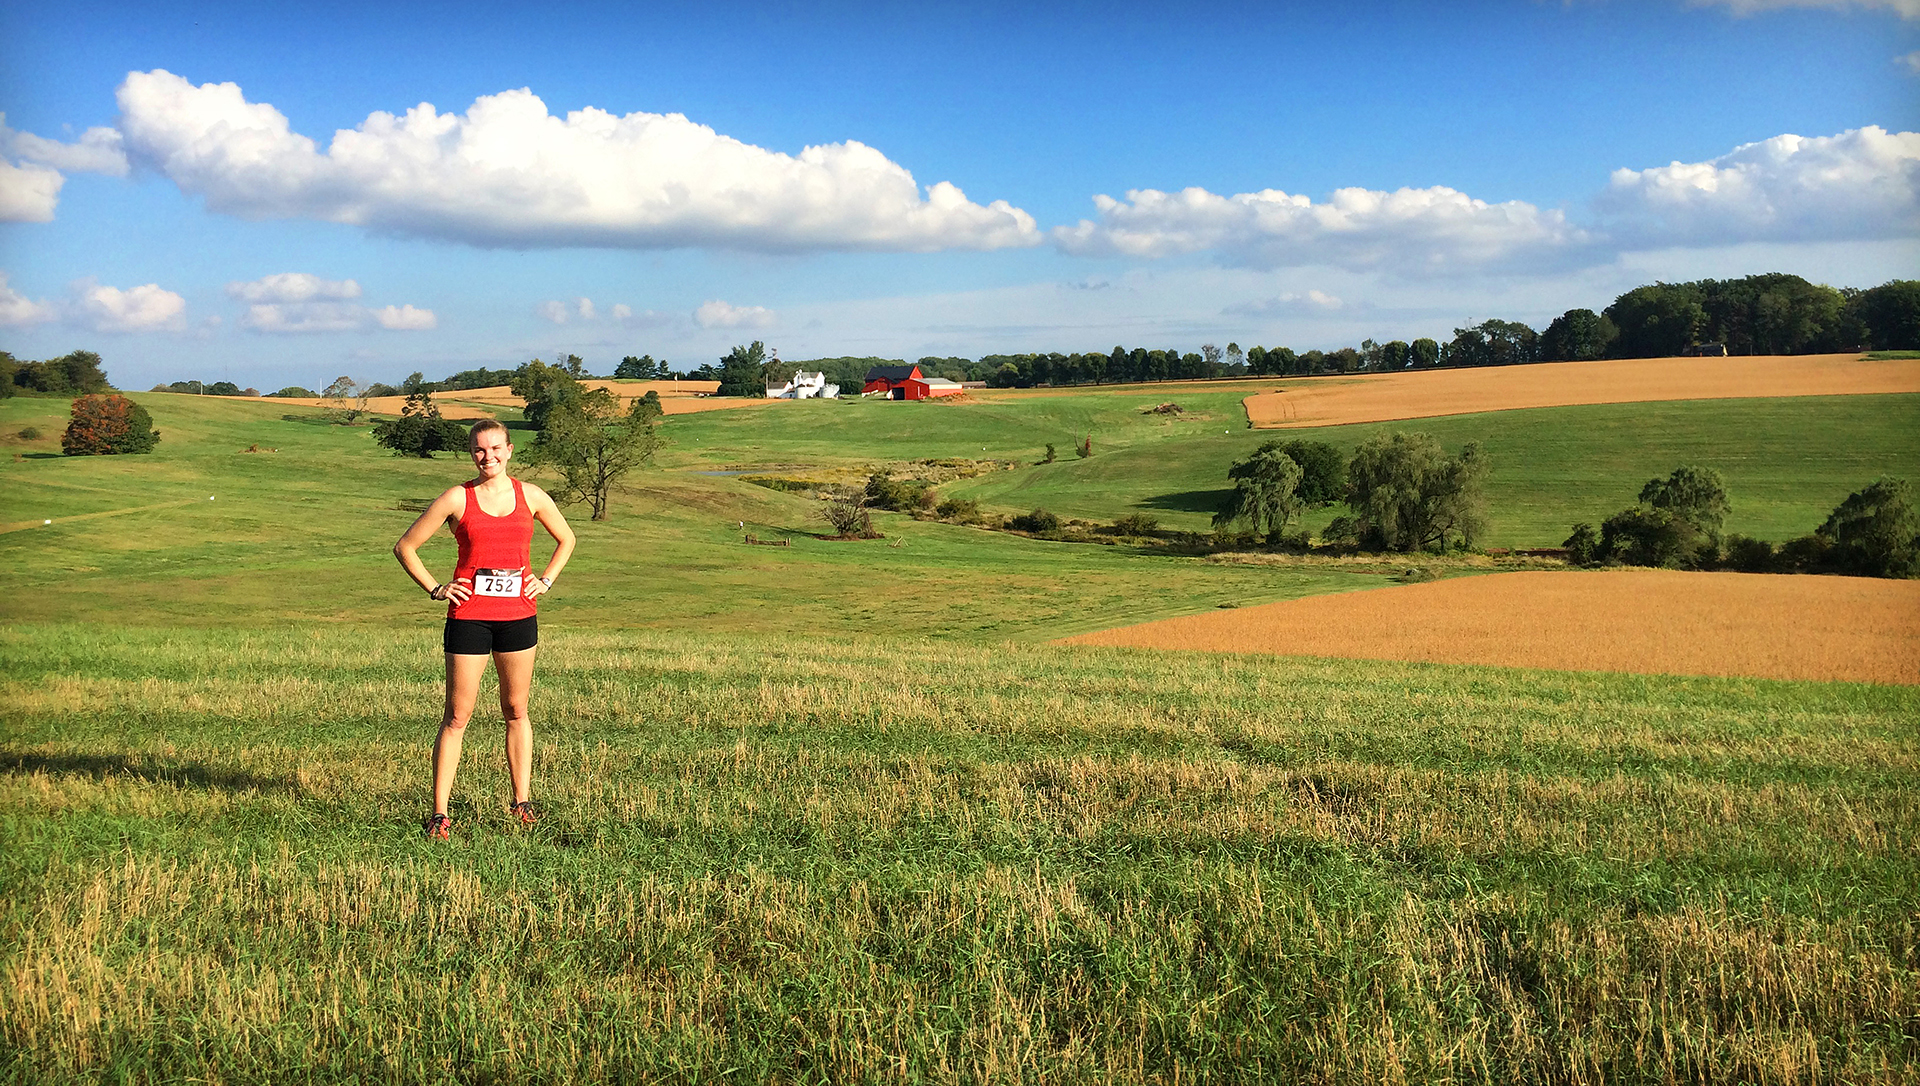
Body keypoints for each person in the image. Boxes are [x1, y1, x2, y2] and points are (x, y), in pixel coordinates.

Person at [394, 418, 575, 839]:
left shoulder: (531, 495)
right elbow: (405, 547)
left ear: (509, 450)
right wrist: (437, 588)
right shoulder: (458, 497)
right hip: (469, 618)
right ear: (471, 453)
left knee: (516, 710)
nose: (487, 456)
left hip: (519, 617)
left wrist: (546, 580)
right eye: (479, 449)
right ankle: (440, 813)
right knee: (458, 715)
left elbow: (567, 539)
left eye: (495, 448)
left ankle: (522, 803)